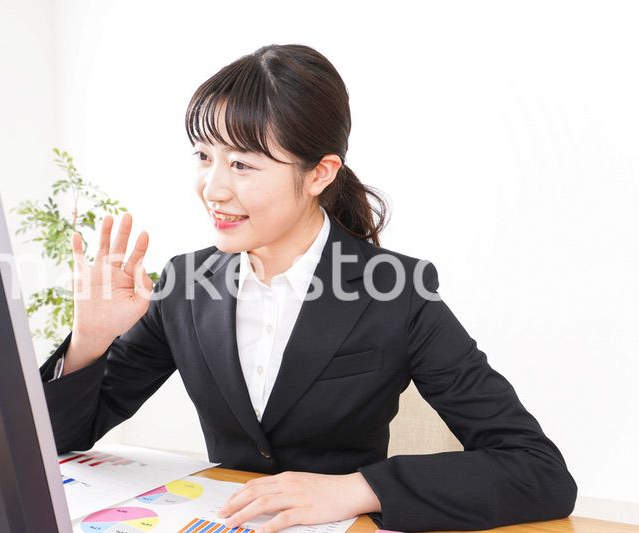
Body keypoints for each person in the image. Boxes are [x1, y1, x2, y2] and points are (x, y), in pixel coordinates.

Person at [39, 44, 577, 532]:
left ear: (320, 173)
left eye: (242, 164)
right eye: (204, 157)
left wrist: (354, 490)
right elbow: (54, 445)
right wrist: (90, 341)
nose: (213, 188)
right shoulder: (186, 283)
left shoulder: (397, 291)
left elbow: (537, 470)